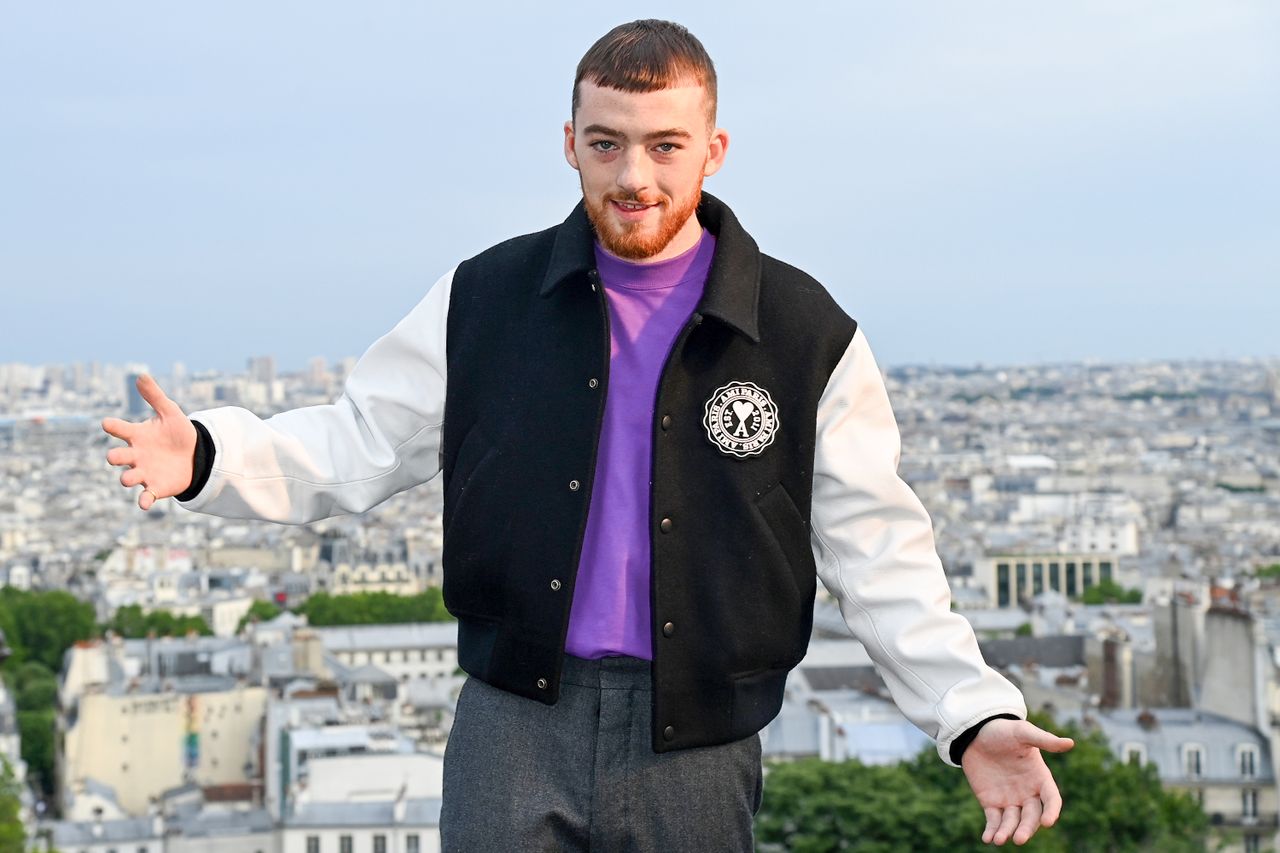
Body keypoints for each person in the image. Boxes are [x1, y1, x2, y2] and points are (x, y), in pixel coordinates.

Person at [102, 18, 1074, 851]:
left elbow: (878, 551)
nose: (633, 175)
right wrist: (208, 459)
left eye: (662, 145)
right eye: (605, 143)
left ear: (713, 148)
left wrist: (969, 713)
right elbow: (359, 442)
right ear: (567, 143)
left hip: (696, 734)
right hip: (512, 718)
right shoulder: (484, 298)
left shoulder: (803, 332)